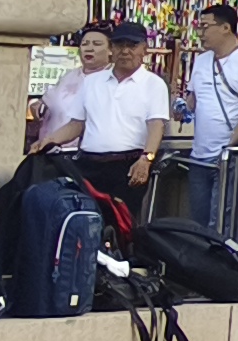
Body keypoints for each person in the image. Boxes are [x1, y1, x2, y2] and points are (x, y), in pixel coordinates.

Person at [37, 18, 171, 209]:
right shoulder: (92, 82)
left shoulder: (153, 84)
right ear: (112, 49)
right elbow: (76, 124)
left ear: (144, 49)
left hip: (128, 164)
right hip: (89, 163)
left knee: (122, 219)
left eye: (132, 45)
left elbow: (156, 125)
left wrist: (146, 159)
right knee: (86, 215)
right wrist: (48, 141)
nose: (125, 51)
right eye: (119, 45)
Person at [172, 0, 238, 238]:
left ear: (226, 27)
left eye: (205, 27)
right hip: (199, 157)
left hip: (228, 158)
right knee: (198, 222)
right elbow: (193, 101)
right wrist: (180, 107)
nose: (200, 33)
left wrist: (229, 148)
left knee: (221, 222)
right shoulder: (201, 61)